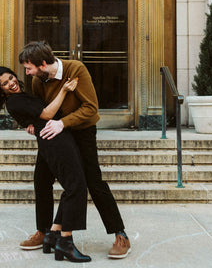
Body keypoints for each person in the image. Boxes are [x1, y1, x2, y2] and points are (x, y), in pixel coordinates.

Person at [18, 40, 131, 259]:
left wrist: (63, 123)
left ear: (42, 63)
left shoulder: (75, 69)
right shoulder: (38, 81)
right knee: (41, 179)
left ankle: (120, 234)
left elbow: (91, 108)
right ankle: (44, 232)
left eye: (29, 67)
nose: (28, 73)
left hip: (82, 132)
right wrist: (31, 122)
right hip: (55, 134)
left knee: (93, 182)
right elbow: (42, 111)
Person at [0, 66, 91, 263]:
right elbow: (47, 113)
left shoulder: (21, 97)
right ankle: (65, 241)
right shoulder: (15, 101)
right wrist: (65, 90)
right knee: (76, 186)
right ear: (0, 90)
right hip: (55, 140)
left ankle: (52, 235)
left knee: (54, 184)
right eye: (5, 83)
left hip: (51, 139)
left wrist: (29, 122)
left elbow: (34, 115)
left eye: (11, 77)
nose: (12, 83)